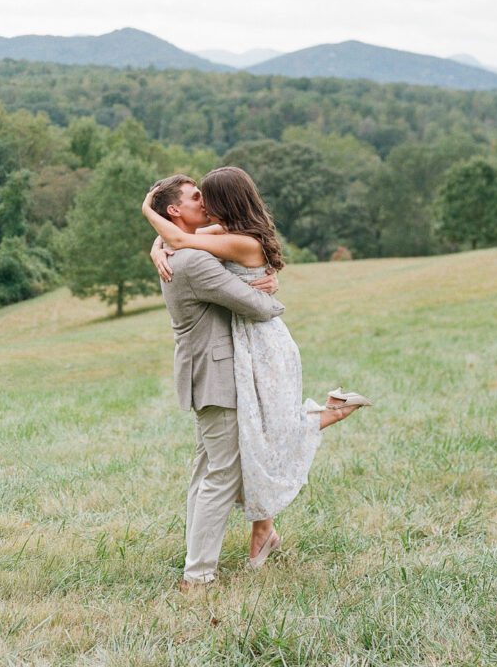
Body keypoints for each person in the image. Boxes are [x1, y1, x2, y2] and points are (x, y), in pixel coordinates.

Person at [144, 167, 372, 577]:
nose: (204, 203)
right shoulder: (193, 258)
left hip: (246, 359)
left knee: (225, 464)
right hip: (222, 371)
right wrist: (264, 293)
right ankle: (201, 572)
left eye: (206, 196)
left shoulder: (202, 247)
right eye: (196, 198)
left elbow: (175, 237)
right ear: (175, 210)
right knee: (223, 470)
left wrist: (160, 240)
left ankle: (216, 559)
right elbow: (259, 306)